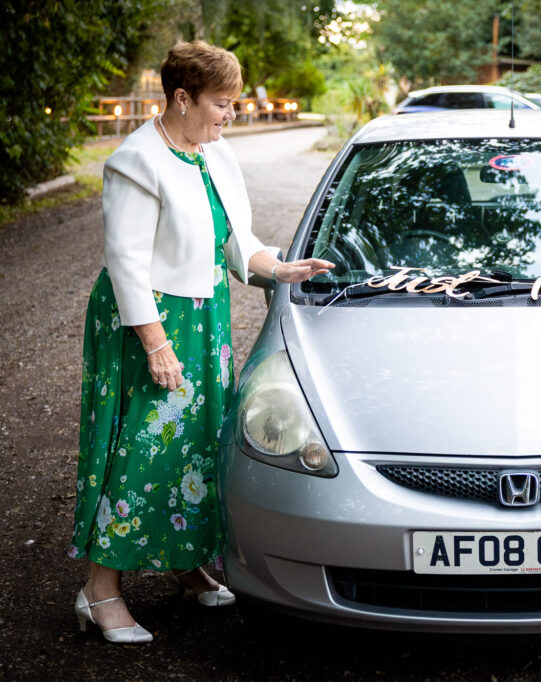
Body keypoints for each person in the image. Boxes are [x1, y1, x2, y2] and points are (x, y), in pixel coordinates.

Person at [68, 41, 333, 643]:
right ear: (182, 98)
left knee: (196, 443)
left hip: (203, 315)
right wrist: (156, 345)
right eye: (222, 103)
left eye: (235, 104)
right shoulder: (136, 160)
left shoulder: (211, 153)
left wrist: (280, 269)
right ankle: (99, 590)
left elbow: (235, 239)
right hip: (150, 321)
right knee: (141, 447)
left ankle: (185, 564)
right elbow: (126, 264)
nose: (231, 115)